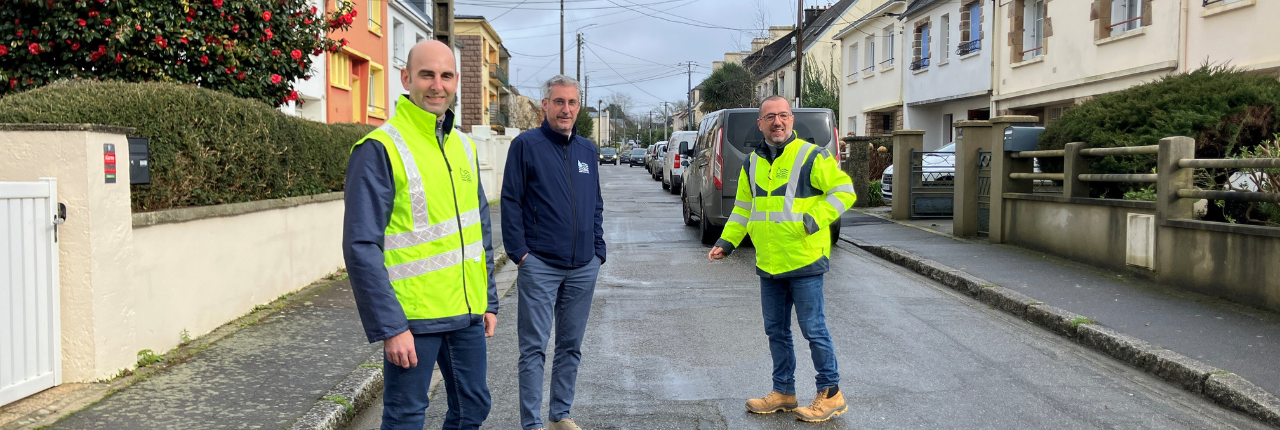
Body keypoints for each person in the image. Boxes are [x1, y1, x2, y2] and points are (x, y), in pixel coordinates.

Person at [342, 40, 498, 430]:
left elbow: (479, 229)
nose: (437, 85)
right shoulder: (380, 148)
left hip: (465, 312)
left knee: (473, 408)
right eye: (427, 74)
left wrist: (489, 299)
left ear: (457, 81)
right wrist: (390, 326)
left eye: (446, 76)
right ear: (406, 78)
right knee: (406, 417)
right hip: (412, 318)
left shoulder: (463, 145)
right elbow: (361, 246)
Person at [709, 95, 856, 423]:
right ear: (760, 124)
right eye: (770, 117)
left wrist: (814, 218)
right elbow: (743, 209)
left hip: (804, 260)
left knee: (813, 329)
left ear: (791, 120)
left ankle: (830, 393)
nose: (778, 122)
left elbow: (843, 191)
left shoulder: (811, 155)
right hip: (770, 262)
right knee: (776, 331)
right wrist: (727, 242)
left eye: (784, 116)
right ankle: (784, 392)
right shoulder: (752, 163)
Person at [501, 75, 606, 430]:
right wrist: (520, 255)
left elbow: (595, 204)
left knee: (570, 346)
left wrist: (598, 251)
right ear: (545, 105)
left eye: (572, 103)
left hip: (583, 266)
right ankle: (531, 424)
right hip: (540, 265)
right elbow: (511, 201)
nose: (566, 109)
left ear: (579, 107)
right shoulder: (526, 146)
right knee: (533, 349)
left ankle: (559, 415)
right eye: (559, 102)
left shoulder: (588, 151)